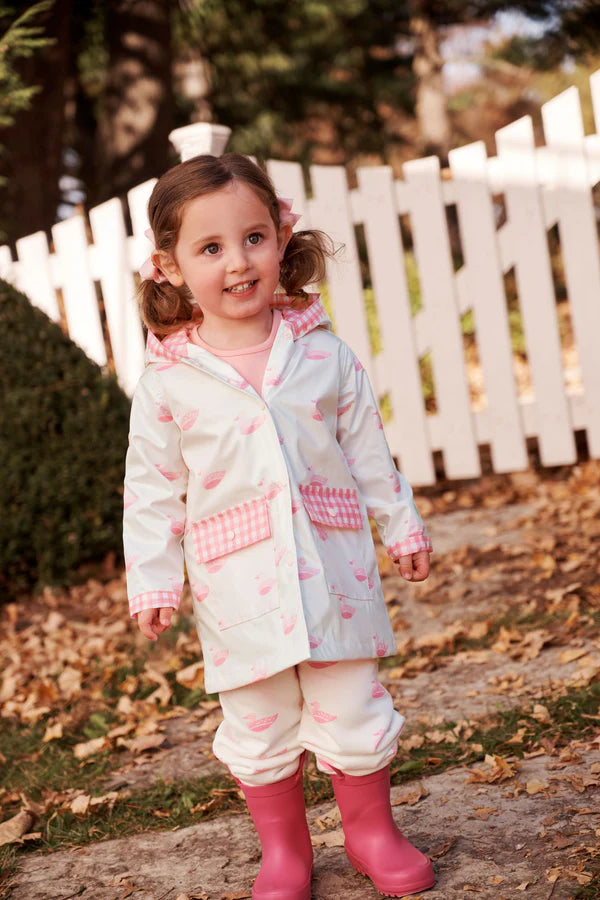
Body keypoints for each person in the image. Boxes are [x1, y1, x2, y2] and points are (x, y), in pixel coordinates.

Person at [123, 152, 435, 900]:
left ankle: (371, 833)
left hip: (335, 569)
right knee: (259, 722)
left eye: (253, 238)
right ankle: (286, 853)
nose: (238, 262)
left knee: (354, 706)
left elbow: (367, 450)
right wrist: (154, 579)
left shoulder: (323, 354)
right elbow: (152, 490)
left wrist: (401, 526)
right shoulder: (169, 382)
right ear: (170, 267)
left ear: (281, 239)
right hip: (237, 586)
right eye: (211, 248)